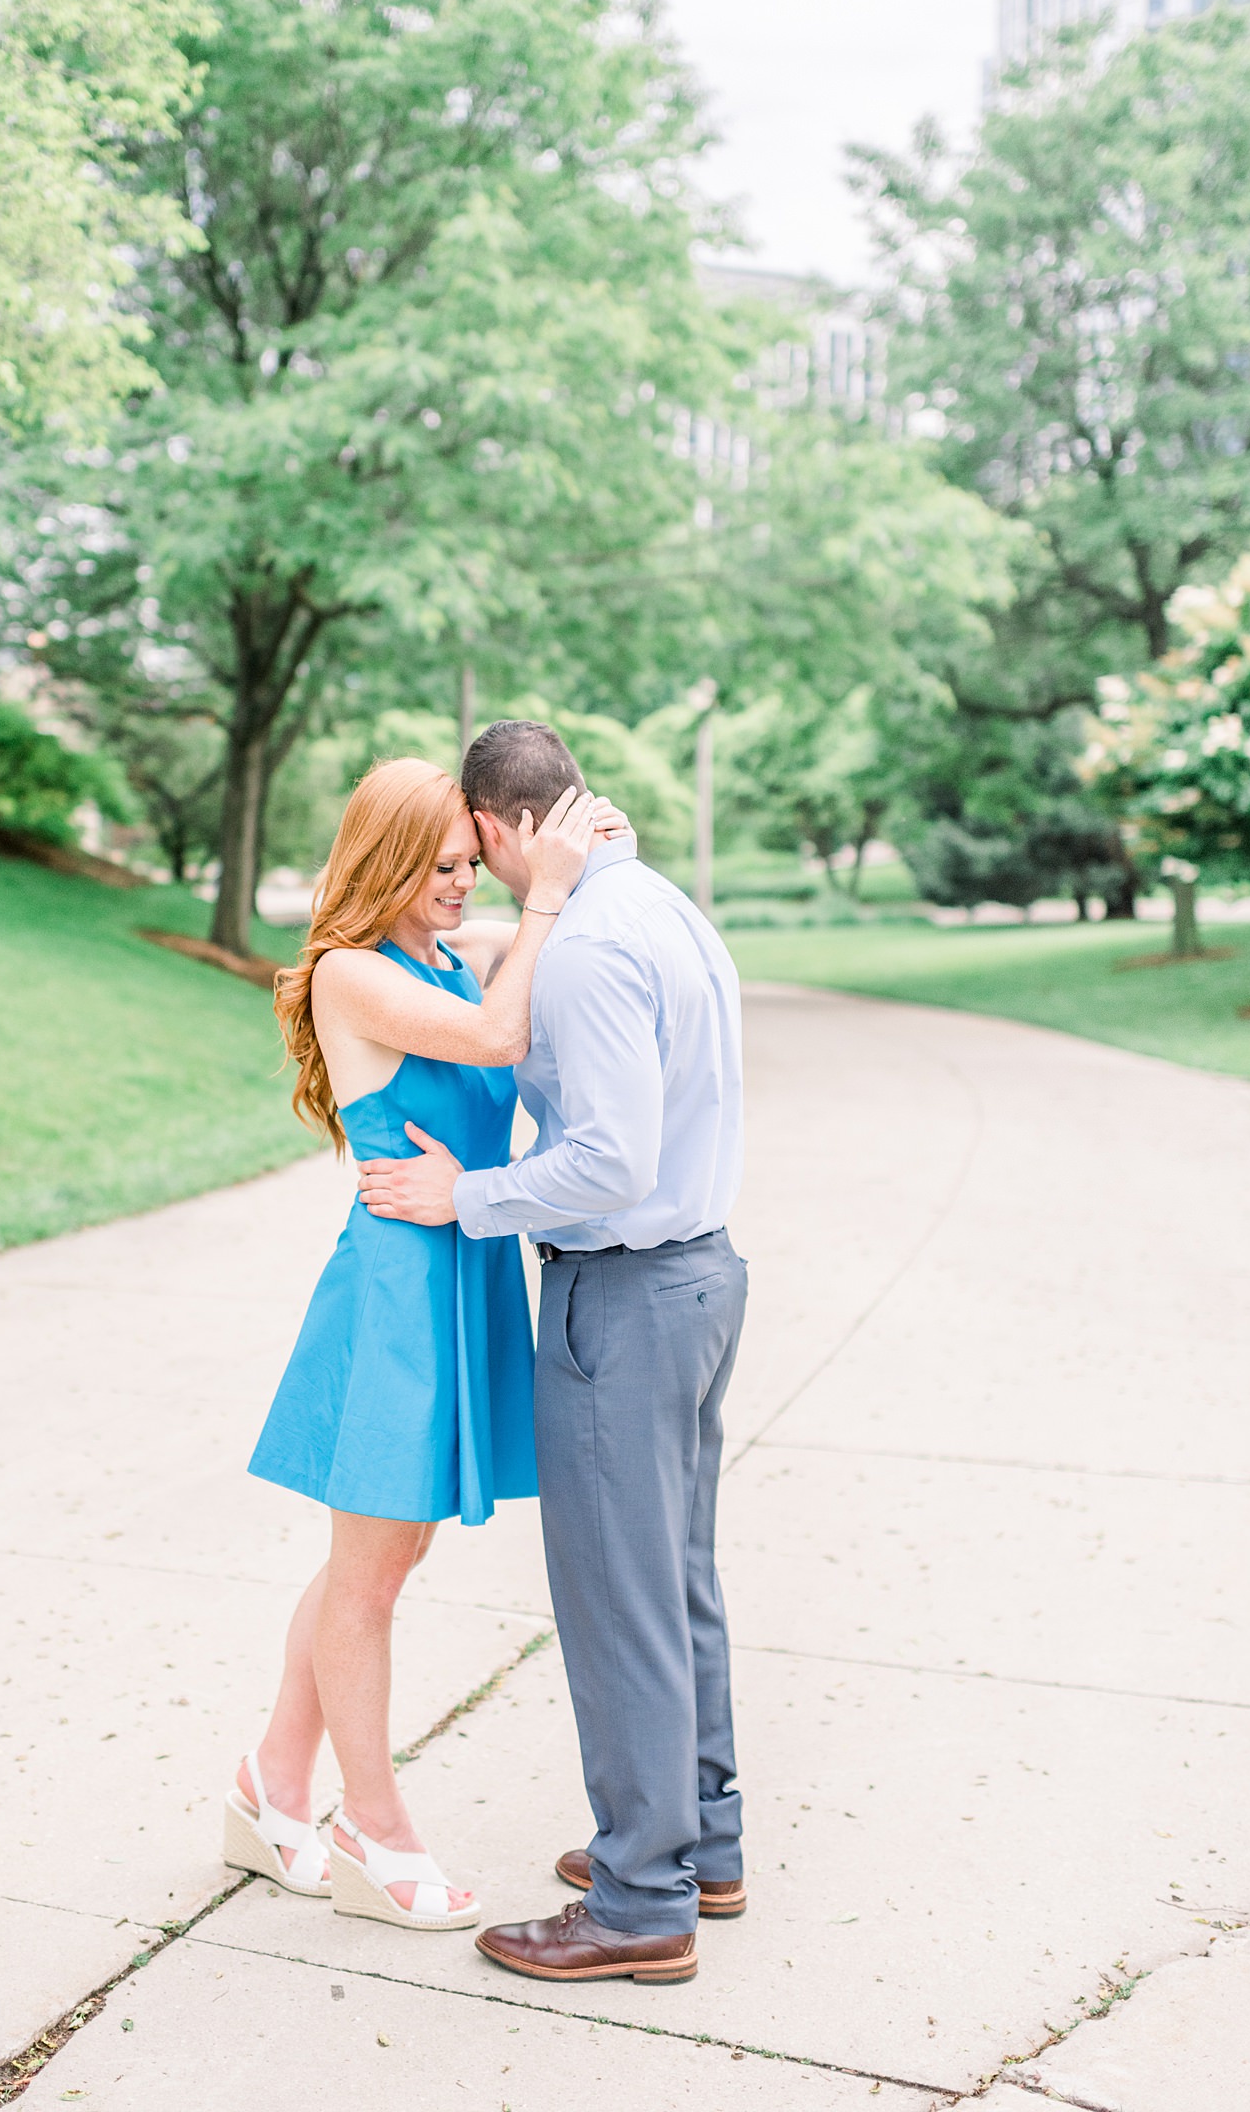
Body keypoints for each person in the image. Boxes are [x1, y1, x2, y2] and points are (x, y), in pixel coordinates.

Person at [357, 718, 746, 1987]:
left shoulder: (581, 946)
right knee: (676, 1581)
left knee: (617, 1603)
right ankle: (703, 1846)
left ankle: (641, 1902)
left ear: (504, 821)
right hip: (700, 1278)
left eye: (472, 844)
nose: (467, 869)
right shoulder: (667, 908)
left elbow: (606, 1160)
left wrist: (465, 1199)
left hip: (620, 1298)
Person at [229, 756, 602, 1933]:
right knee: (374, 1576)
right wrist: (545, 891)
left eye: (466, 863)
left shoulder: (440, 956)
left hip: (460, 1268)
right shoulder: (353, 974)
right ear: (387, 864)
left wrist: (574, 874)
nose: (459, 886)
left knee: (379, 1562)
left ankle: (268, 1788)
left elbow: (515, 984)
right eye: (437, 869)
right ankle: (370, 1826)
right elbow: (500, 1037)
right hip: (398, 1296)